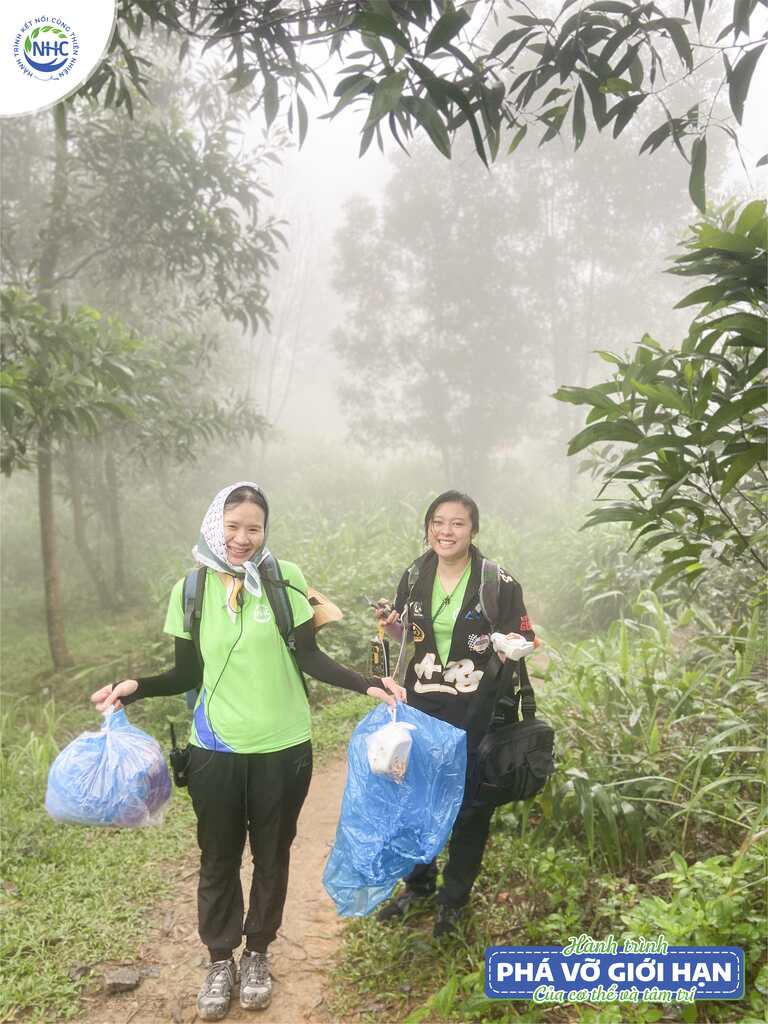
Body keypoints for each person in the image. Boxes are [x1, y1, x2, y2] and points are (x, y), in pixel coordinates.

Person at [91, 481, 404, 1021]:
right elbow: (186, 673)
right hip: (213, 749)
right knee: (217, 858)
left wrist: (369, 684)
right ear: (216, 524)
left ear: (265, 530)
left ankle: (257, 952)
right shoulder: (190, 590)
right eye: (233, 527)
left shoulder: (285, 580)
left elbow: (310, 657)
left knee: (273, 854)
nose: (242, 538)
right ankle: (219, 960)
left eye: (253, 528)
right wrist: (131, 687)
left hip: (285, 748)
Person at [373, 490, 536, 939]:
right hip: (422, 708)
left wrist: (510, 649)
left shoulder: (497, 581)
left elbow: (525, 637)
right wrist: (392, 627)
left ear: (473, 530)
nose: (446, 532)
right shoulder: (415, 573)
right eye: (438, 522)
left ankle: (454, 901)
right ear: (428, 527)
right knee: (416, 800)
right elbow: (409, 631)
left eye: (457, 523)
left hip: (479, 713)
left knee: (469, 808)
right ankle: (418, 886)